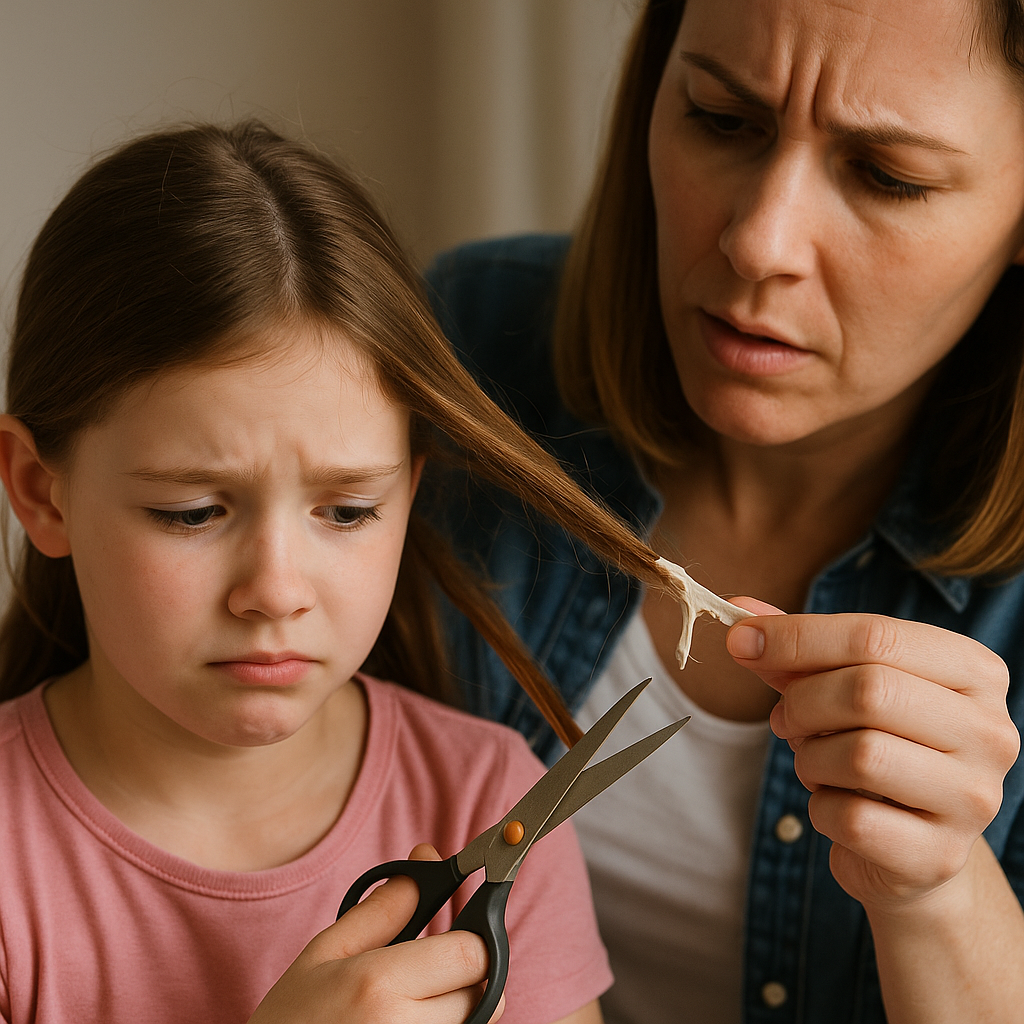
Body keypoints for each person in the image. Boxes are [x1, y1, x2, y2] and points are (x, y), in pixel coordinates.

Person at [0, 119, 700, 1024]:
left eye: (347, 511)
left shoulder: (484, 796)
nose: (277, 591)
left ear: (408, 496)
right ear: (40, 492)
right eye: (193, 512)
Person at [424, 0, 1024, 1022]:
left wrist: (937, 892)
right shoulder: (463, 359)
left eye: (887, 176)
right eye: (721, 118)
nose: (757, 243)